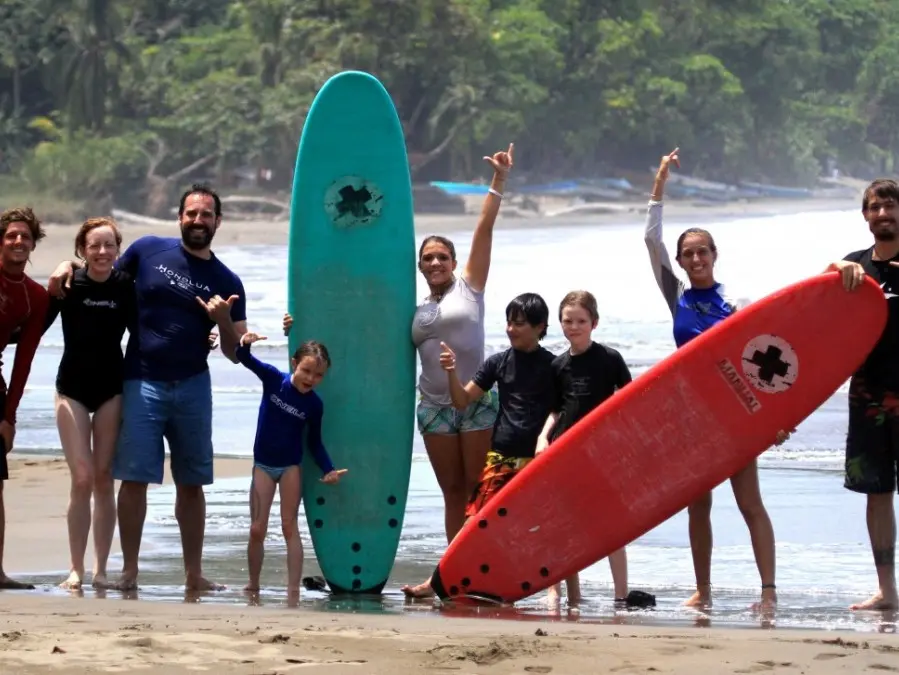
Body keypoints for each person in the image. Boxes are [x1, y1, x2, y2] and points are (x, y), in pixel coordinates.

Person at [47, 184, 248, 592]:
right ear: (179, 217)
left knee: (191, 483)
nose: (198, 220)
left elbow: (235, 352)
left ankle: (194, 574)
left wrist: (224, 321)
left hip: (193, 385)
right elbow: (102, 271)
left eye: (206, 215)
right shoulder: (148, 250)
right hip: (140, 380)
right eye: (191, 213)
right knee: (134, 479)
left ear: (218, 222)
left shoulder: (227, 280)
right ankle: (130, 571)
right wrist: (65, 266)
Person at [645, 148, 788, 609]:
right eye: (688, 254)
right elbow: (651, 242)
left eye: (702, 250)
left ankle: (768, 592)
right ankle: (703, 590)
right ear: (682, 263)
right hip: (692, 413)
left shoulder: (737, 302)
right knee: (698, 504)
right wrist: (660, 183)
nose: (695, 258)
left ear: (714, 255)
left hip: (736, 414)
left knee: (749, 503)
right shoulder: (678, 296)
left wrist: (778, 418)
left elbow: (768, 363)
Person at [402, 292, 556, 598]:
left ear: (540, 327)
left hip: (537, 458)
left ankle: (552, 591)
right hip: (500, 455)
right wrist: (450, 372)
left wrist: (544, 439)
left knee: (540, 525)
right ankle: (438, 583)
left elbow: (560, 409)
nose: (511, 329)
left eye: (520, 324)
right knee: (473, 522)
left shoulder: (554, 366)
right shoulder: (498, 363)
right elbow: (461, 401)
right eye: (509, 323)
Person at [412, 144, 513, 544]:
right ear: (420, 266)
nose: (435, 263)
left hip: (475, 400)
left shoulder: (471, 288)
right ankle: (453, 569)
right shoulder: (414, 307)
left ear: (454, 263)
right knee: (451, 493)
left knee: (477, 490)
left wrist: (498, 180)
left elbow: (483, 230)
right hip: (433, 408)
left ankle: (485, 561)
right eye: (428, 259)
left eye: (442, 257)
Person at [42, 218, 135, 591]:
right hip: (72, 390)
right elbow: (34, 326)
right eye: (94, 246)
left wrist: (202, 335)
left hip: (111, 389)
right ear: (81, 250)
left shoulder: (125, 285)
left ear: (117, 249)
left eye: (109, 245)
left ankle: (100, 570)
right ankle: (75, 569)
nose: (101, 252)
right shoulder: (69, 284)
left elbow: (149, 330)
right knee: (81, 479)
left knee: (102, 478)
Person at [825, 178, 899, 611]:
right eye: (876, 208)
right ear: (865, 215)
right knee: (877, 492)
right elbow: (806, 303)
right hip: (867, 398)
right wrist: (836, 266)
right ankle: (888, 591)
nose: (884, 214)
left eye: (890, 207)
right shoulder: (855, 268)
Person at [233, 331, 346, 601]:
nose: (311, 379)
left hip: (290, 468)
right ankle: (253, 583)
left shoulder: (314, 405)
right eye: (307, 370)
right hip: (263, 464)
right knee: (257, 528)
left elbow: (314, 443)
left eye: (318, 375)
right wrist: (245, 344)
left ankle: (293, 589)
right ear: (295, 363)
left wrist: (328, 469)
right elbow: (243, 359)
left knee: (288, 526)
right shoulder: (274, 379)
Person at [536, 290, 632, 607]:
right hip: (564, 449)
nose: (574, 326)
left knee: (610, 524)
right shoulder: (558, 365)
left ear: (594, 323)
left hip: (602, 452)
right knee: (566, 522)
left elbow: (629, 402)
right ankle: (564, 592)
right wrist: (542, 440)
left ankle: (621, 594)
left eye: (580, 320)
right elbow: (555, 410)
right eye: (568, 321)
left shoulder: (610, 359)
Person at [0, 207, 51, 591]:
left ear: (34, 243)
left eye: (25, 237)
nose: (18, 242)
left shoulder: (34, 297)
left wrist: (9, 416)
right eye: (11, 235)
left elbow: (24, 361)